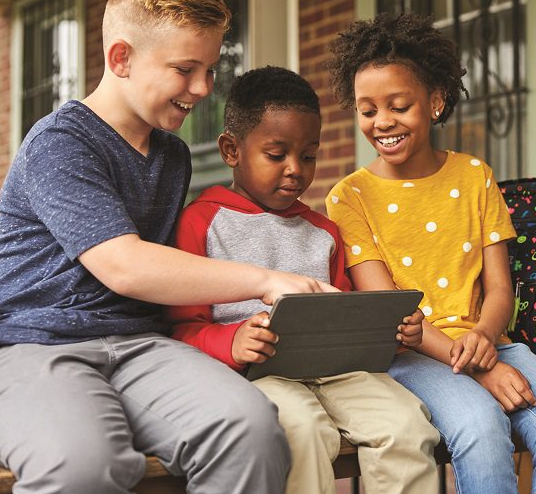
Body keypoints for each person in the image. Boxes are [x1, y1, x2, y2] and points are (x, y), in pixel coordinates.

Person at [0, 0, 338, 494]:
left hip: (137, 347)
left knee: (249, 429)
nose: (202, 88)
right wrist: (266, 279)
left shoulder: (171, 154)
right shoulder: (61, 143)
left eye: (210, 70)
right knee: (85, 464)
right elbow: (125, 265)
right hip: (26, 346)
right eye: (185, 69)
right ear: (121, 58)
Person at [324, 13, 536, 494]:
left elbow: (499, 289)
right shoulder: (350, 197)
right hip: (408, 353)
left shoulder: (474, 176)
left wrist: (487, 343)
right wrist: (479, 367)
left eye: (398, 105)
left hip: (491, 341)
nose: (382, 122)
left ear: (435, 102)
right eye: (367, 111)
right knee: (480, 425)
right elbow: (389, 311)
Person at [165, 65, 441, 494]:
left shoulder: (324, 232)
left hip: (341, 373)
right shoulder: (201, 222)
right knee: (301, 430)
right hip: (256, 375)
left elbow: (345, 313)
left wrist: (392, 332)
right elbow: (180, 328)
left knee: (406, 423)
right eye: (277, 155)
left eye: (308, 155)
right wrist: (232, 341)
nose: (295, 169)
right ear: (231, 149)